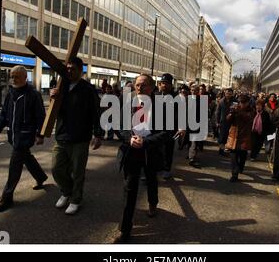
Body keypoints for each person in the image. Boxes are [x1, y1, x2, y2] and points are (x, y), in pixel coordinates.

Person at [113, 74, 170, 243]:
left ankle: (153, 203)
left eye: (144, 85)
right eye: (137, 85)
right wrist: (128, 138)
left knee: (152, 180)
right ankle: (125, 229)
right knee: (130, 189)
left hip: (150, 151)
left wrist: (146, 141)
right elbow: (118, 125)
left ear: (152, 87)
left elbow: (166, 133)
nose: (139, 88)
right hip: (131, 151)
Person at [50, 57, 103, 215]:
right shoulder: (62, 87)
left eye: (73, 69)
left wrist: (98, 134)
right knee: (56, 168)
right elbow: (56, 112)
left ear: (81, 70)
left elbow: (96, 113)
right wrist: (53, 97)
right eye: (68, 69)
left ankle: (75, 199)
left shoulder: (88, 89)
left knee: (77, 171)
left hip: (80, 138)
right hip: (62, 136)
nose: (70, 71)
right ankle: (67, 192)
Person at [0, 65, 47, 212]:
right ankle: (41, 177)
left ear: (25, 78)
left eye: (16, 76)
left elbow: (40, 116)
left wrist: (40, 134)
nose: (13, 79)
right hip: (14, 135)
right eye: (12, 76)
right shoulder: (10, 94)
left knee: (15, 165)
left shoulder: (33, 94)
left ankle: (7, 197)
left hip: (25, 135)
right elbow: (4, 114)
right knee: (26, 157)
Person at [156, 73, 183, 180]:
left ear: (171, 85)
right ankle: (157, 168)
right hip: (157, 128)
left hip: (170, 129)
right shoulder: (156, 95)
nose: (164, 85)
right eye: (162, 83)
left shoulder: (176, 98)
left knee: (168, 150)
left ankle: (167, 169)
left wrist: (180, 127)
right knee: (156, 148)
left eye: (166, 83)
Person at [225, 94, 254, 182]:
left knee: (242, 155)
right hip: (234, 135)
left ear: (247, 103)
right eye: (240, 102)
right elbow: (228, 120)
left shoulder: (251, 110)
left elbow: (249, 118)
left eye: (243, 102)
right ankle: (234, 174)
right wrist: (231, 113)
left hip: (244, 136)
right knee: (233, 156)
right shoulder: (235, 108)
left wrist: (239, 111)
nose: (241, 104)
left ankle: (240, 167)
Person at [216, 88, 236, 155]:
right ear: (225, 93)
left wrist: (231, 114)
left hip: (232, 122)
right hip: (223, 122)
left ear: (232, 94)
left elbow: (235, 110)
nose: (228, 95)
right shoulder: (221, 101)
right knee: (222, 137)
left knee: (229, 136)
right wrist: (217, 121)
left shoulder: (234, 101)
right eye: (227, 93)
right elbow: (218, 112)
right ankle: (221, 150)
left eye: (230, 94)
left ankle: (227, 149)